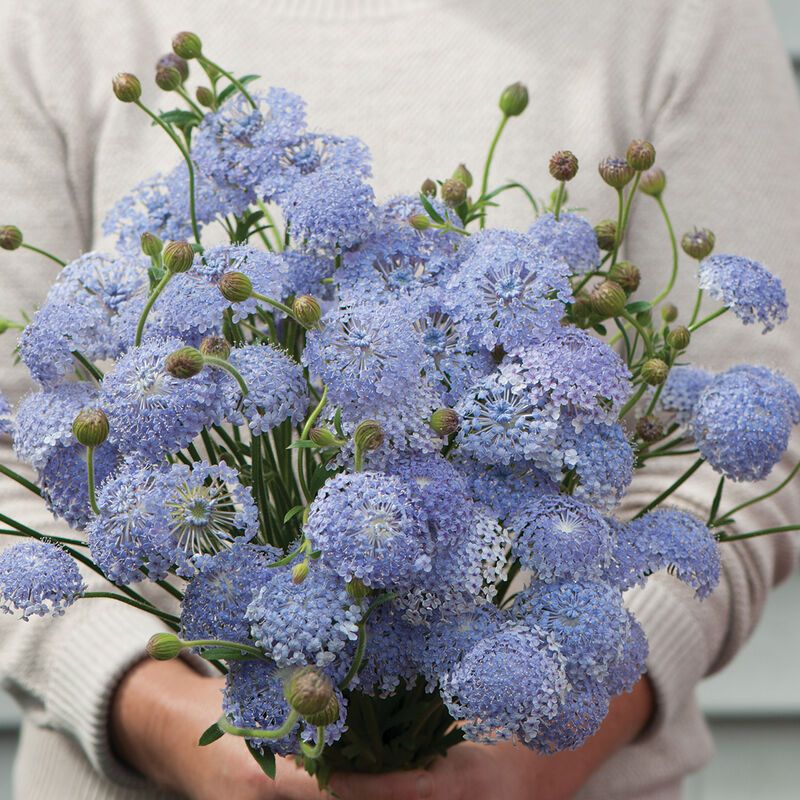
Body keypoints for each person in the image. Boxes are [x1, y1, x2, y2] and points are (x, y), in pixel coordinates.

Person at [1, 1, 798, 798]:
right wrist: (169, 723)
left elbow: (754, 439)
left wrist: (526, 756)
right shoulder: (56, 19)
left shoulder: (684, 18)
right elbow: (12, 457)